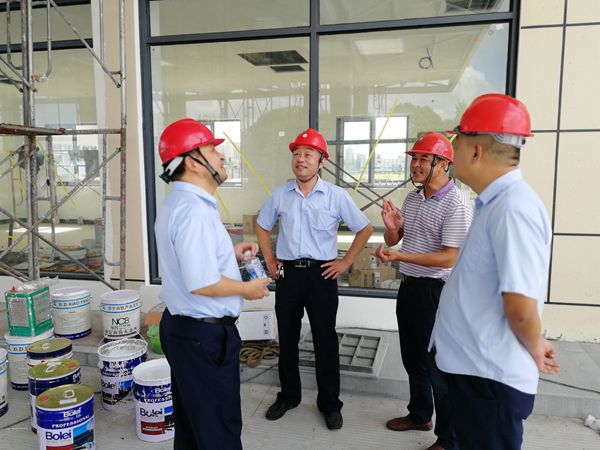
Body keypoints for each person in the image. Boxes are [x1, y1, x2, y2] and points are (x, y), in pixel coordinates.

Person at [430, 93, 561, 450]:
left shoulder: (513, 209)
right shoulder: (495, 204)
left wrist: (535, 344)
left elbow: (520, 305)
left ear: (476, 151)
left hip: (489, 379)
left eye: (456, 142)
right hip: (476, 371)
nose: (451, 151)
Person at [154, 118, 271, 450]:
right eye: (212, 150)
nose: (221, 156)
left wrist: (228, 256)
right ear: (193, 162)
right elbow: (202, 282)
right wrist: (247, 289)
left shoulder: (178, 203)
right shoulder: (195, 211)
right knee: (219, 429)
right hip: (203, 337)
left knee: (193, 424)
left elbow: (189, 264)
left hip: (185, 330)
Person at [256, 128, 373, 430]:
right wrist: (269, 259)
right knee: (287, 338)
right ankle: (289, 396)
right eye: (297, 153)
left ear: (322, 161)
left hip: (322, 275)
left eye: (308, 154)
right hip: (288, 275)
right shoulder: (280, 195)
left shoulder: (336, 196)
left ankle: (330, 404)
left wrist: (346, 262)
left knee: (325, 340)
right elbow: (262, 226)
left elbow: (365, 229)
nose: (301, 159)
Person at [373, 132, 472, 450]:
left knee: (438, 366)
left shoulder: (457, 203)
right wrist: (392, 230)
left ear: (443, 164)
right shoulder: (413, 198)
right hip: (410, 288)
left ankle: (448, 439)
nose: (415, 164)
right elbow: (396, 240)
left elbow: (449, 257)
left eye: (423, 159)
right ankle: (419, 414)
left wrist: (401, 256)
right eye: (414, 158)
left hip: (438, 294)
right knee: (413, 358)